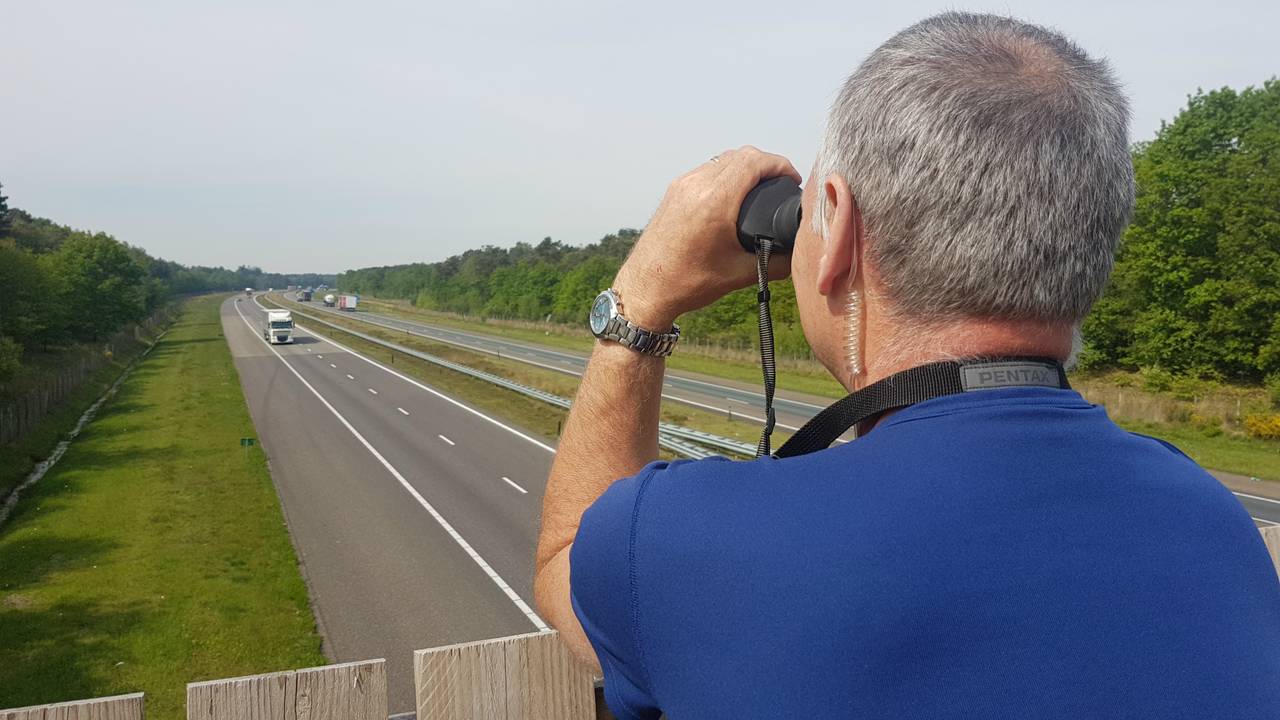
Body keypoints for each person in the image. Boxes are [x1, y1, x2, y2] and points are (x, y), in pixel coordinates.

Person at [533, 12, 1280, 719]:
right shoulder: (1213, 525)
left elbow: (568, 557)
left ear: (840, 222)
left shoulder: (689, 539)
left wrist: (642, 298)